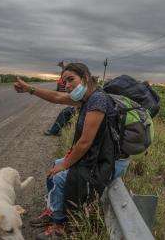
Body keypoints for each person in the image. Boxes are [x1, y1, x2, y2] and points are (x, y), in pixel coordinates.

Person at [14, 63, 129, 239]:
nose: (66, 85)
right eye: (64, 81)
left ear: (85, 78)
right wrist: (29, 88)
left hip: (108, 161)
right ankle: (53, 212)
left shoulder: (98, 100)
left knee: (59, 176)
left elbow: (84, 142)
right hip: (97, 156)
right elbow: (56, 96)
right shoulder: (86, 98)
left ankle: (60, 226)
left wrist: (66, 165)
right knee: (55, 166)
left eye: (71, 79)